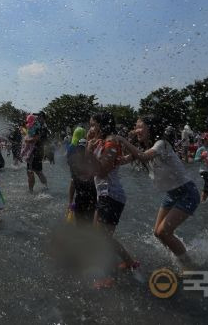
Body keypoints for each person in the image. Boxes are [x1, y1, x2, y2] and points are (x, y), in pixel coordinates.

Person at [115, 115, 200, 273]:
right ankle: (179, 255)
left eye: (140, 126)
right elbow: (122, 161)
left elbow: (143, 157)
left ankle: (189, 267)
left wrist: (121, 139)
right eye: (136, 126)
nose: (136, 130)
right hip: (172, 194)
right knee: (158, 233)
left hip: (187, 192)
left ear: (151, 128)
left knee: (163, 232)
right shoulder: (146, 146)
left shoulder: (161, 144)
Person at [86, 112, 138, 288]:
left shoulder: (111, 142)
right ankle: (129, 262)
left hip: (111, 195)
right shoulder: (103, 142)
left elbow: (101, 171)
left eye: (93, 125)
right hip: (105, 195)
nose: (90, 128)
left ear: (102, 125)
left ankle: (109, 277)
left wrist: (88, 150)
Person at [66, 127, 96, 225]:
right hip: (88, 181)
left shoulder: (71, 145)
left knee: (74, 182)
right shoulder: (86, 143)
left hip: (76, 172)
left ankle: (71, 204)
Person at [25, 113, 49, 193]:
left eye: (40, 117)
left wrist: (27, 140)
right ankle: (46, 186)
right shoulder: (42, 127)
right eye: (38, 117)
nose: (38, 118)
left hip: (34, 151)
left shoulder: (39, 127)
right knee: (38, 171)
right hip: (39, 151)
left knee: (30, 171)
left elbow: (37, 138)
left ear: (44, 118)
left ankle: (30, 191)